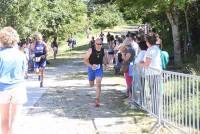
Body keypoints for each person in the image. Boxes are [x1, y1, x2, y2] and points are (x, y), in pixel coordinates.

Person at [0, 27, 27, 134]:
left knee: (4, 119)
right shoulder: (21, 55)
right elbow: (23, 73)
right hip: (18, 88)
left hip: (2, 89)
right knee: (15, 120)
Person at [83, 38, 108, 107]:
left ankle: (97, 99)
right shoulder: (90, 50)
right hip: (91, 68)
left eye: (101, 44)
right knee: (91, 84)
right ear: (95, 44)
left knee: (98, 83)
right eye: (98, 44)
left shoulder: (104, 50)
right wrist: (91, 66)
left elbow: (105, 59)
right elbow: (85, 60)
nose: (99, 45)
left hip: (99, 68)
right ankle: (91, 81)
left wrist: (106, 64)